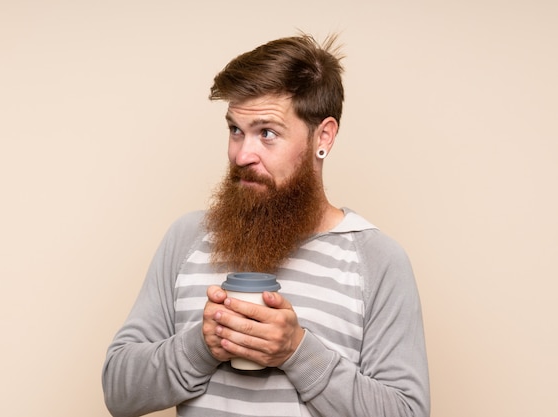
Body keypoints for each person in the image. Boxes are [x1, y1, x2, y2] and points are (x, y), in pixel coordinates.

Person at [102, 33, 430, 417]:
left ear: (323, 136)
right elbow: (119, 394)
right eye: (235, 130)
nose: (242, 154)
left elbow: (406, 412)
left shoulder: (377, 260)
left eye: (267, 133)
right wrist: (203, 345)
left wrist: (296, 350)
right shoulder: (187, 238)